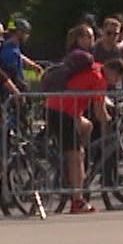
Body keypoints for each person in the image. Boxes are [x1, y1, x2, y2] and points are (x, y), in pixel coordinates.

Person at [45, 25, 108, 214]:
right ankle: (77, 200)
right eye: (87, 36)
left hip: (57, 107)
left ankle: (74, 167)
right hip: (63, 111)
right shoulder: (96, 73)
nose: (91, 40)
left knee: (87, 126)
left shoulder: (89, 66)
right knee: (76, 156)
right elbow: (99, 111)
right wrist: (107, 122)